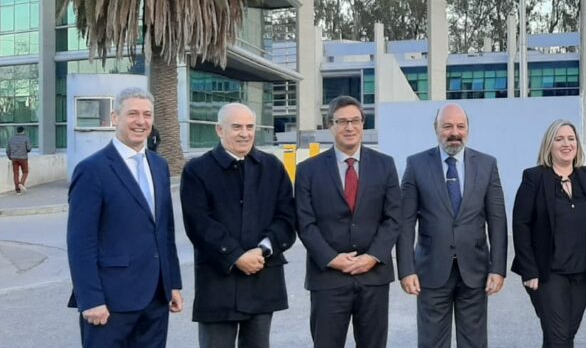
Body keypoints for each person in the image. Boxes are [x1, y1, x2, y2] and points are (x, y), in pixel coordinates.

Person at [66, 87, 183, 347]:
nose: (141, 121)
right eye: (133, 114)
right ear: (115, 117)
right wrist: (90, 299)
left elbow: (165, 231)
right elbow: (80, 242)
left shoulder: (160, 166)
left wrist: (172, 283)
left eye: (147, 114)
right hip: (110, 302)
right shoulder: (92, 170)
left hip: (156, 299)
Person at [180, 103, 297, 348]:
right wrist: (236, 256)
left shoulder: (272, 167)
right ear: (219, 130)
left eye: (249, 127)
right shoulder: (197, 170)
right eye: (236, 127)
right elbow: (199, 223)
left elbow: (287, 218)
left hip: (262, 278)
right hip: (218, 281)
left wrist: (263, 250)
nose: (245, 133)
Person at [397, 103, 508, 348]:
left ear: (468, 129)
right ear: (435, 128)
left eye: (460, 126)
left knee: (474, 342)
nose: (454, 133)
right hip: (431, 271)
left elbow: (498, 220)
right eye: (447, 126)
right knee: (432, 342)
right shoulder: (416, 165)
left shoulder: (487, 164)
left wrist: (498, 268)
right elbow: (405, 222)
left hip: (475, 270)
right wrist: (406, 269)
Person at [295, 95, 402, 348]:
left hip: (373, 276)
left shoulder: (385, 165)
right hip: (327, 277)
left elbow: (393, 218)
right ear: (330, 126)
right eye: (342, 121)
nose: (349, 127)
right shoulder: (308, 170)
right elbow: (304, 222)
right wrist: (332, 259)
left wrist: (372, 256)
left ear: (363, 124)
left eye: (355, 120)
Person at [511, 119, 586, 348]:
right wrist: (529, 270)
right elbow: (521, 225)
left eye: (571, 138)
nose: (566, 144)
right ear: (549, 145)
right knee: (558, 336)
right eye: (559, 139)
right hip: (547, 274)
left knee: (566, 335)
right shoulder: (534, 177)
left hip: (582, 272)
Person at [6, 125, 31, 193]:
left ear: (17, 131)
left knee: (16, 173)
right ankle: (21, 183)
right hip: (23, 158)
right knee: (25, 172)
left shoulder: (11, 138)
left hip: (14, 158)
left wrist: (10, 157)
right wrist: (25, 151)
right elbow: (29, 148)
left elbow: (8, 150)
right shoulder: (26, 138)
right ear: (23, 131)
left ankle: (17, 190)